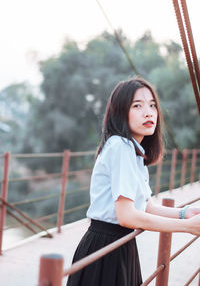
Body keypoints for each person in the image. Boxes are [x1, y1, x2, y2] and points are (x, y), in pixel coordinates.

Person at [67, 77, 200, 286]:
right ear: (120, 112)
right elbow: (127, 216)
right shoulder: (119, 146)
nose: (148, 112)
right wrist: (186, 227)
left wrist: (185, 214)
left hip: (121, 245)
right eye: (137, 105)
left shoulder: (133, 151)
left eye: (152, 105)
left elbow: (145, 206)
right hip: (105, 248)